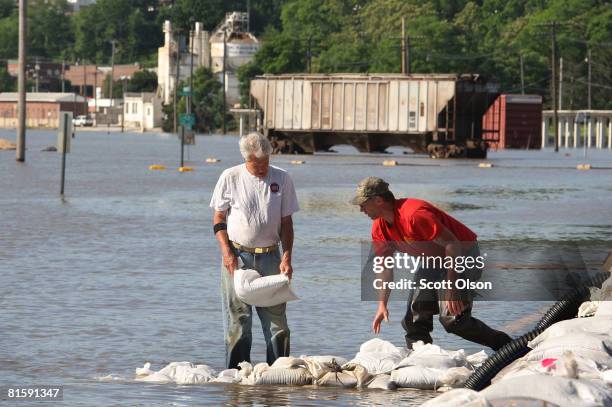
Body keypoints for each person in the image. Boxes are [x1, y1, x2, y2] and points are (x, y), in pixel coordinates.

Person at [351, 176, 512, 351]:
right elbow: (385, 266)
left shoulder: (414, 215)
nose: (360, 209)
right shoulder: (379, 228)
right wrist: (382, 304)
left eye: (363, 203)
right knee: (414, 318)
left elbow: (452, 244)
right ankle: (421, 358)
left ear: (378, 200)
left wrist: (453, 287)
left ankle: (509, 348)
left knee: (453, 319)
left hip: (463, 257)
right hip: (432, 262)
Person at [210, 132, 299, 369]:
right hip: (237, 258)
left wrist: (287, 256)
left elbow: (287, 223)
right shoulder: (230, 176)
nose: (261, 168)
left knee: (277, 323)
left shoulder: (283, 178)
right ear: (246, 159)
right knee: (238, 321)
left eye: (265, 162)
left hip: (271, 257)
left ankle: (279, 373)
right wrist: (226, 252)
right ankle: (238, 377)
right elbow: (218, 218)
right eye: (255, 163)